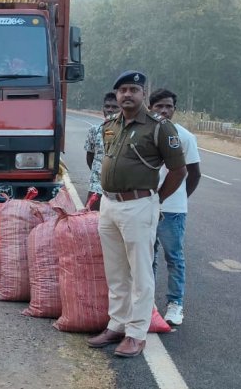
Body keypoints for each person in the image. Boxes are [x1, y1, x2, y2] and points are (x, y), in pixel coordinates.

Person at [86, 70, 186, 358]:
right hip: (109, 204)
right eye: (122, 91)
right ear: (116, 96)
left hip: (139, 204)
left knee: (140, 273)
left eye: (133, 89)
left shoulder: (159, 127)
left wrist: (156, 200)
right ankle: (116, 325)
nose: (127, 94)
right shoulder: (111, 125)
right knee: (115, 272)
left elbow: (179, 171)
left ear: (143, 94)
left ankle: (136, 333)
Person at [149, 88, 201, 326]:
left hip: (173, 210)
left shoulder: (185, 137)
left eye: (169, 106)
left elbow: (194, 174)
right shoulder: (144, 134)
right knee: (146, 257)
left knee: (174, 257)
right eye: (159, 106)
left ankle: (175, 304)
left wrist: (179, 198)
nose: (164, 110)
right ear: (150, 108)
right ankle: (146, 302)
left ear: (174, 110)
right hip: (145, 206)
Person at [84, 92, 121, 210]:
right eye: (107, 106)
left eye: (115, 107)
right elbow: (90, 156)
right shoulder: (95, 130)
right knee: (91, 220)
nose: (110, 110)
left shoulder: (128, 131)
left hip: (119, 190)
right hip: (96, 187)